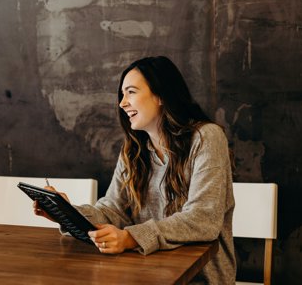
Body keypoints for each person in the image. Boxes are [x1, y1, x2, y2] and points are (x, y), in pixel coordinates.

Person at [34, 56, 236, 284]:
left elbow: (203, 219)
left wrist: (130, 237)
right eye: (122, 94)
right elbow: (113, 211)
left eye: (131, 92)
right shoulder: (133, 150)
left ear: (161, 95)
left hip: (199, 278)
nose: (122, 103)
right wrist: (67, 213)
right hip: (144, 273)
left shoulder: (206, 137)